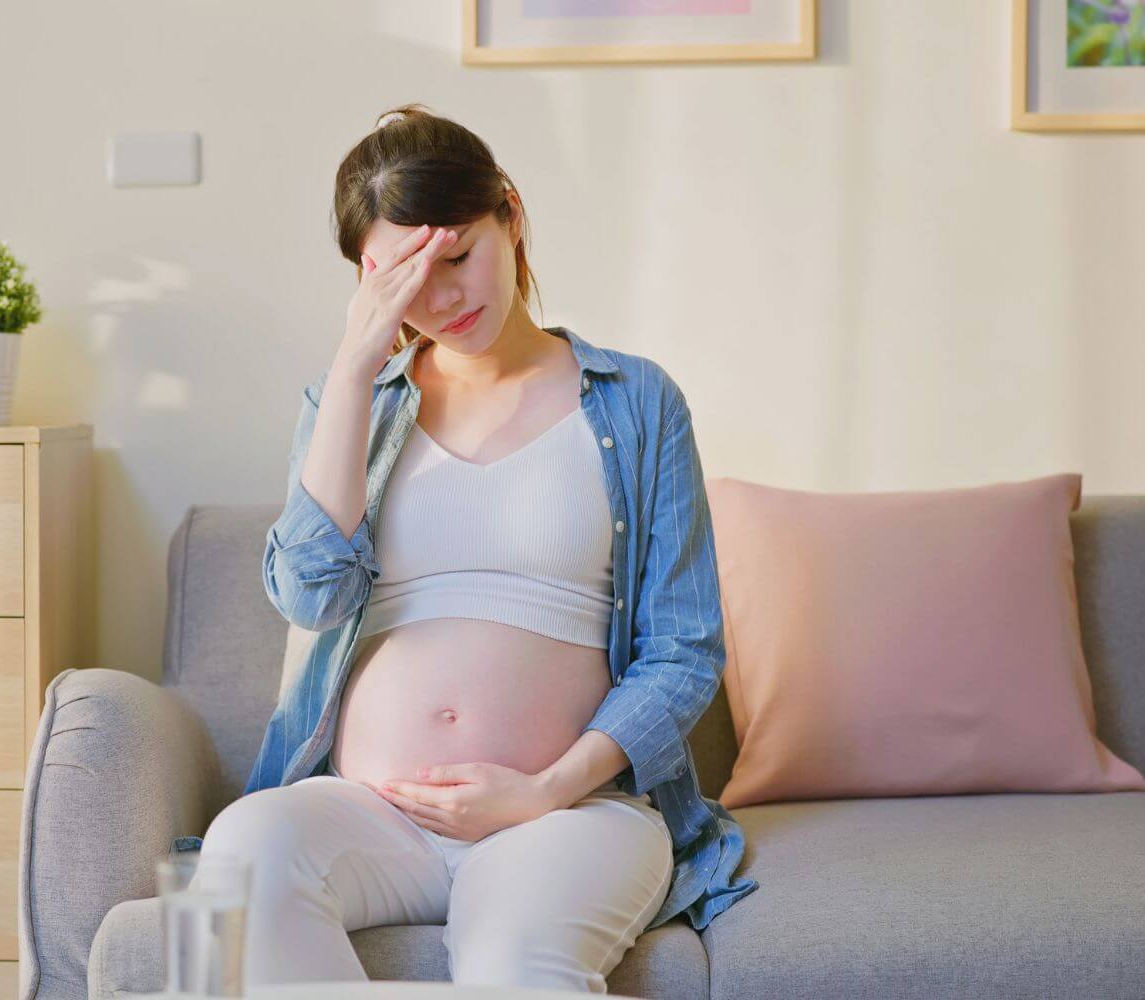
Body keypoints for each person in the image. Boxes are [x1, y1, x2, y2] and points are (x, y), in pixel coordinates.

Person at [196, 103, 758, 993]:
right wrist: (352, 370)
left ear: (511, 213)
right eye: (405, 281)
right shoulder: (353, 405)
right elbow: (311, 598)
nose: (443, 300)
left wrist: (545, 789)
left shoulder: (636, 402)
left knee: (514, 964)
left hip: (567, 813)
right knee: (241, 855)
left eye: (458, 257)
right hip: (369, 815)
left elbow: (684, 652)